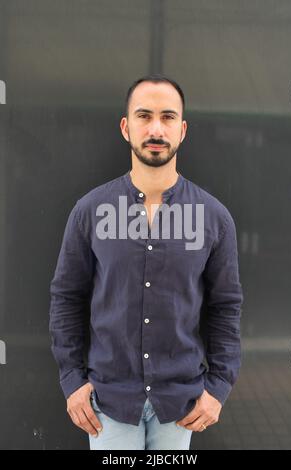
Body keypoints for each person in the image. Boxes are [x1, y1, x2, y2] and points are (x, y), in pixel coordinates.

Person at [49, 75, 243, 450]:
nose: (156, 128)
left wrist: (218, 388)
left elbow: (225, 308)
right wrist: (72, 382)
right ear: (126, 127)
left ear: (182, 130)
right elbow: (66, 298)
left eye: (168, 117)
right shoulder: (90, 211)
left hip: (181, 404)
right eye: (144, 116)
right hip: (108, 403)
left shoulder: (214, 218)